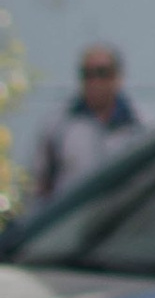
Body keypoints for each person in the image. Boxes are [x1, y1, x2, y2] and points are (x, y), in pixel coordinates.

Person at [29, 45, 147, 204]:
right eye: (87, 74)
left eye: (102, 73)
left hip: (123, 223)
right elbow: (38, 185)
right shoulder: (59, 127)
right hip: (73, 222)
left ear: (118, 77)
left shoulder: (140, 127)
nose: (94, 81)